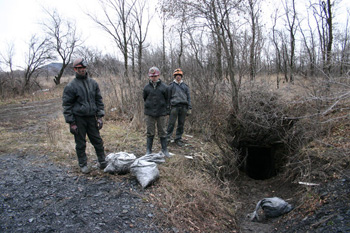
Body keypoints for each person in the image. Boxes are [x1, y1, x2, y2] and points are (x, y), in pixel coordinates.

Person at [62, 57, 107, 174]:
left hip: (92, 117)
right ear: (75, 69)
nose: (82, 70)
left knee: (97, 140)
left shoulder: (93, 83)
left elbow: (99, 100)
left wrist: (100, 116)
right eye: (79, 68)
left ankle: (102, 161)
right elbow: (67, 106)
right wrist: (71, 123)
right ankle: (83, 164)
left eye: (83, 67)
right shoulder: (71, 86)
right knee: (81, 143)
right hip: (78, 119)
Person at [143, 66, 170, 157]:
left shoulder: (165, 87)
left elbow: (167, 99)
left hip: (161, 112)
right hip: (150, 113)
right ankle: (148, 150)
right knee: (150, 132)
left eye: (155, 76)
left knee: (162, 131)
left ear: (158, 76)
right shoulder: (146, 87)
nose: (153, 78)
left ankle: (164, 149)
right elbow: (145, 98)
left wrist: (166, 110)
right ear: (149, 77)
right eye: (152, 76)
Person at [166, 68, 192, 147]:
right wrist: (167, 108)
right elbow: (168, 98)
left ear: (181, 76)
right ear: (174, 76)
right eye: (176, 75)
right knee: (171, 123)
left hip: (184, 107)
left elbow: (188, 97)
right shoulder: (171, 86)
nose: (178, 77)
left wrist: (189, 108)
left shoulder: (185, 86)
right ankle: (167, 138)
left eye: (179, 75)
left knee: (181, 124)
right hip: (174, 107)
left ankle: (178, 139)